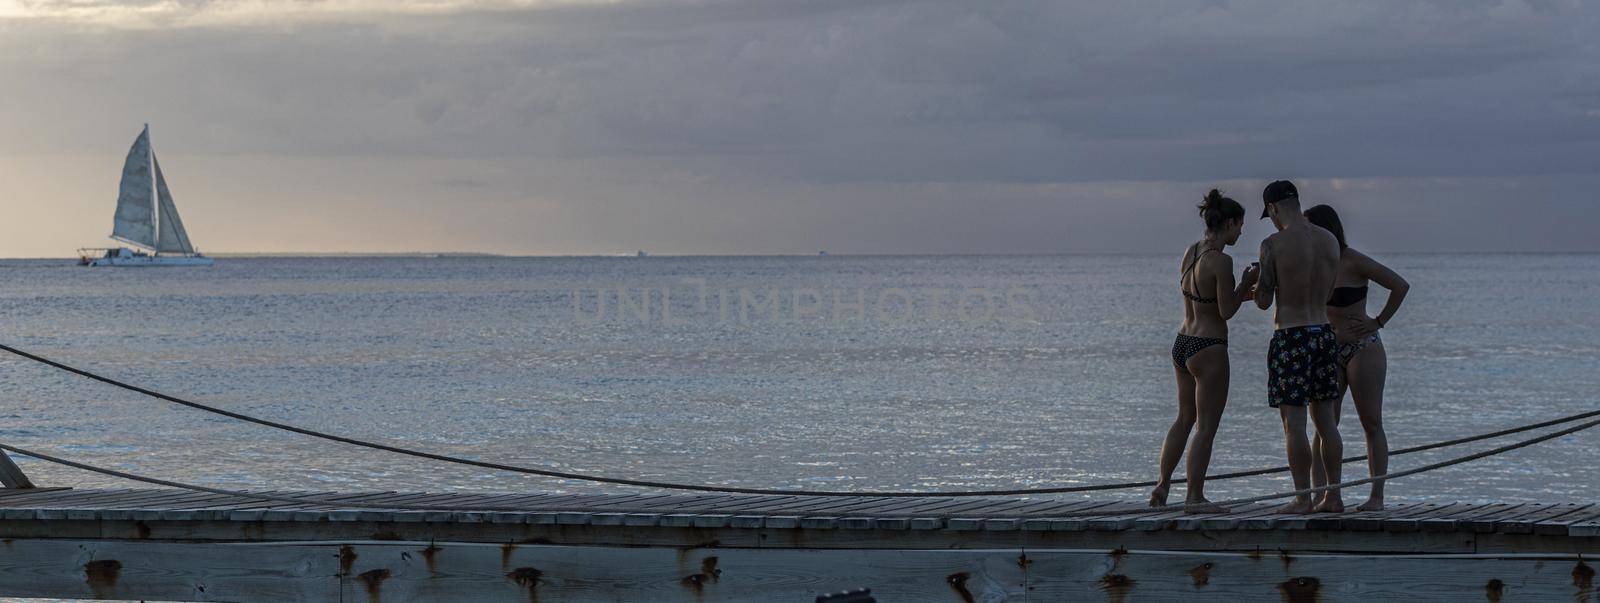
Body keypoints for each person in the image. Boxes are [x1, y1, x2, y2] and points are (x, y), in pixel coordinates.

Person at [1150, 189, 1259, 513]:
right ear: (1228, 223)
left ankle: (1162, 485)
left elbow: (1203, 298)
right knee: (1206, 426)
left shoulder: (1191, 251)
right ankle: (1194, 497)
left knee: (1184, 418)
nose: (1241, 231)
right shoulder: (1222, 261)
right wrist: (1246, 282)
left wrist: (1238, 292)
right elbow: (1226, 311)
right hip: (1209, 346)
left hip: (1183, 341)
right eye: (1240, 225)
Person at [1304, 204, 1409, 511]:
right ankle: (1324, 495)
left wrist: (1378, 321)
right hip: (1328, 350)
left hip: (1363, 348)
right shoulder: (1311, 265)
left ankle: (1376, 497)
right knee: (1325, 425)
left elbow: (1399, 285)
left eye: (1310, 228)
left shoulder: (1352, 260)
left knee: (1371, 422)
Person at [1253, 180, 1344, 514]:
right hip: (1323, 331)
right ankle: (1333, 495)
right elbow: (1329, 290)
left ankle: (1303, 498)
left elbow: (1263, 301)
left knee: (1295, 425)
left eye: (1271, 214)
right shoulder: (1329, 241)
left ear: (1274, 209)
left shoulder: (1272, 244)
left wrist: (1254, 282)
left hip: (1291, 335)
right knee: (1327, 423)